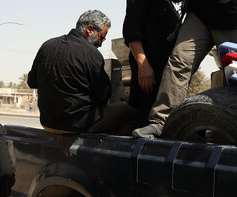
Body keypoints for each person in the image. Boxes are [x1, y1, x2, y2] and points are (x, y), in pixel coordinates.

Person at [133, 0, 237, 138]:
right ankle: (160, 122)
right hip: (199, 13)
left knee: (234, 73)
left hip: (231, 15)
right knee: (179, 61)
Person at [28, 10, 136, 135]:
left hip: (48, 123)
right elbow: (104, 96)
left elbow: (32, 82)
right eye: (102, 37)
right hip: (78, 124)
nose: (101, 44)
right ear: (90, 29)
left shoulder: (47, 46)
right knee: (130, 112)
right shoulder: (91, 53)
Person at [123, 0, 181, 126]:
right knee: (146, 121)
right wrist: (143, 65)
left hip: (163, 77)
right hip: (149, 77)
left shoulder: (168, 4)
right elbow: (132, 33)